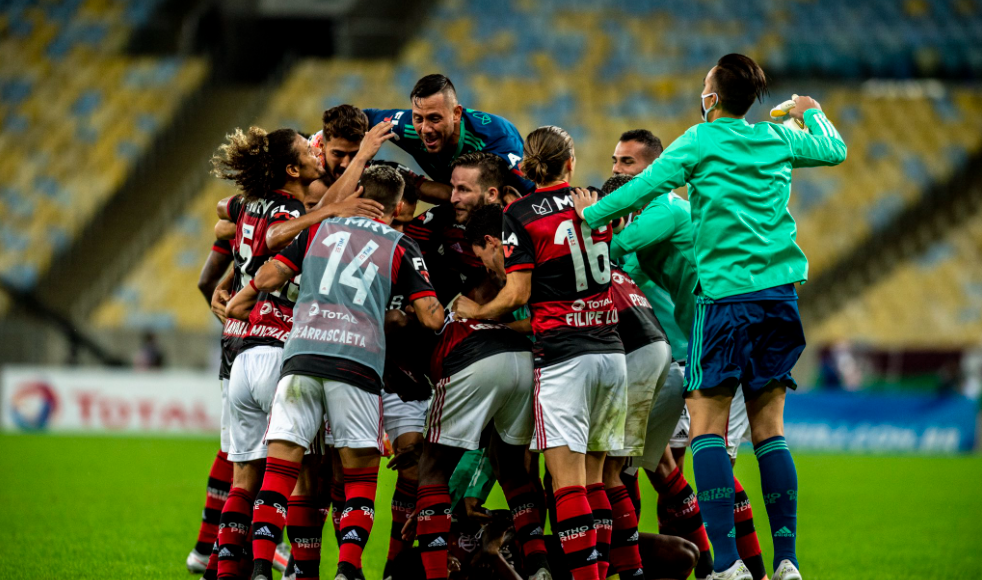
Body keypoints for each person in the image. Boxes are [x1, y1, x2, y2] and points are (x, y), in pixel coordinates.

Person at [575, 53, 847, 580]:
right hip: (780, 297)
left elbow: (644, 187)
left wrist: (587, 215)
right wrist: (811, 111)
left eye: (705, 85)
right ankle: (787, 561)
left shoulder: (699, 141)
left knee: (707, 430)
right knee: (771, 432)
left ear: (712, 97)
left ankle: (727, 565)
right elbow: (835, 149)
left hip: (724, 299)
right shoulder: (778, 139)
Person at [247, 165, 446, 580]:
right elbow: (430, 317)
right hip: (356, 365)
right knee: (358, 476)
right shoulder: (400, 244)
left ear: (358, 192)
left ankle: (262, 567)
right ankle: (348, 569)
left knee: (281, 471)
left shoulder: (317, 231)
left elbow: (265, 277)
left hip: (300, 359)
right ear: (395, 208)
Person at [454, 125, 628, 580]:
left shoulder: (520, 213)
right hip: (611, 352)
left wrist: (481, 312)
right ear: (570, 163)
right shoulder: (593, 199)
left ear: (528, 167)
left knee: (567, 483)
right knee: (596, 480)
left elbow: (517, 293)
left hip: (564, 357)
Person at [363, 74, 534, 202]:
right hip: (456, 206)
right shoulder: (404, 126)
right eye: (418, 118)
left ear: (456, 114)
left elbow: (535, 193)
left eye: (434, 118)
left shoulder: (498, 137)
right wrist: (359, 161)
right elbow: (362, 117)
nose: (425, 129)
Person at [185, 239, 236, 575]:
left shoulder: (242, 212)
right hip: (279, 345)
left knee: (234, 451)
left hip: (239, 346)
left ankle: (207, 549)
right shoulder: (292, 222)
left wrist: (231, 324)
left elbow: (206, 282)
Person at [404, 151, 513, 302]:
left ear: (492, 194)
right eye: (453, 188)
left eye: (463, 189)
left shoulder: (524, 229)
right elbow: (396, 248)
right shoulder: (442, 219)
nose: (453, 198)